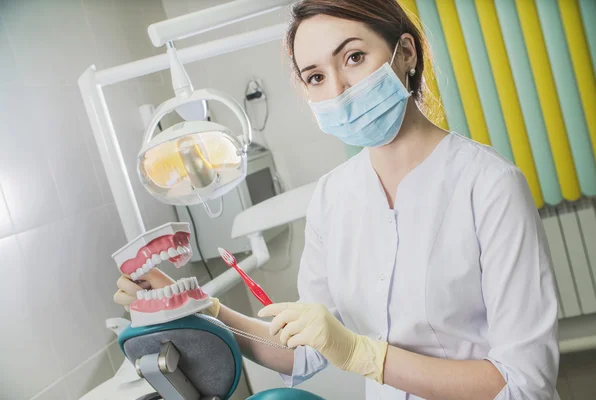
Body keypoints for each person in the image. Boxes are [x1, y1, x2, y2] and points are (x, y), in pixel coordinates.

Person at [114, 1, 560, 398]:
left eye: (354, 57)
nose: (339, 90)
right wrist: (202, 307)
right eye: (315, 77)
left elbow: (525, 383)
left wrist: (364, 355)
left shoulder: (490, 185)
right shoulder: (333, 196)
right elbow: (305, 353)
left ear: (405, 53)